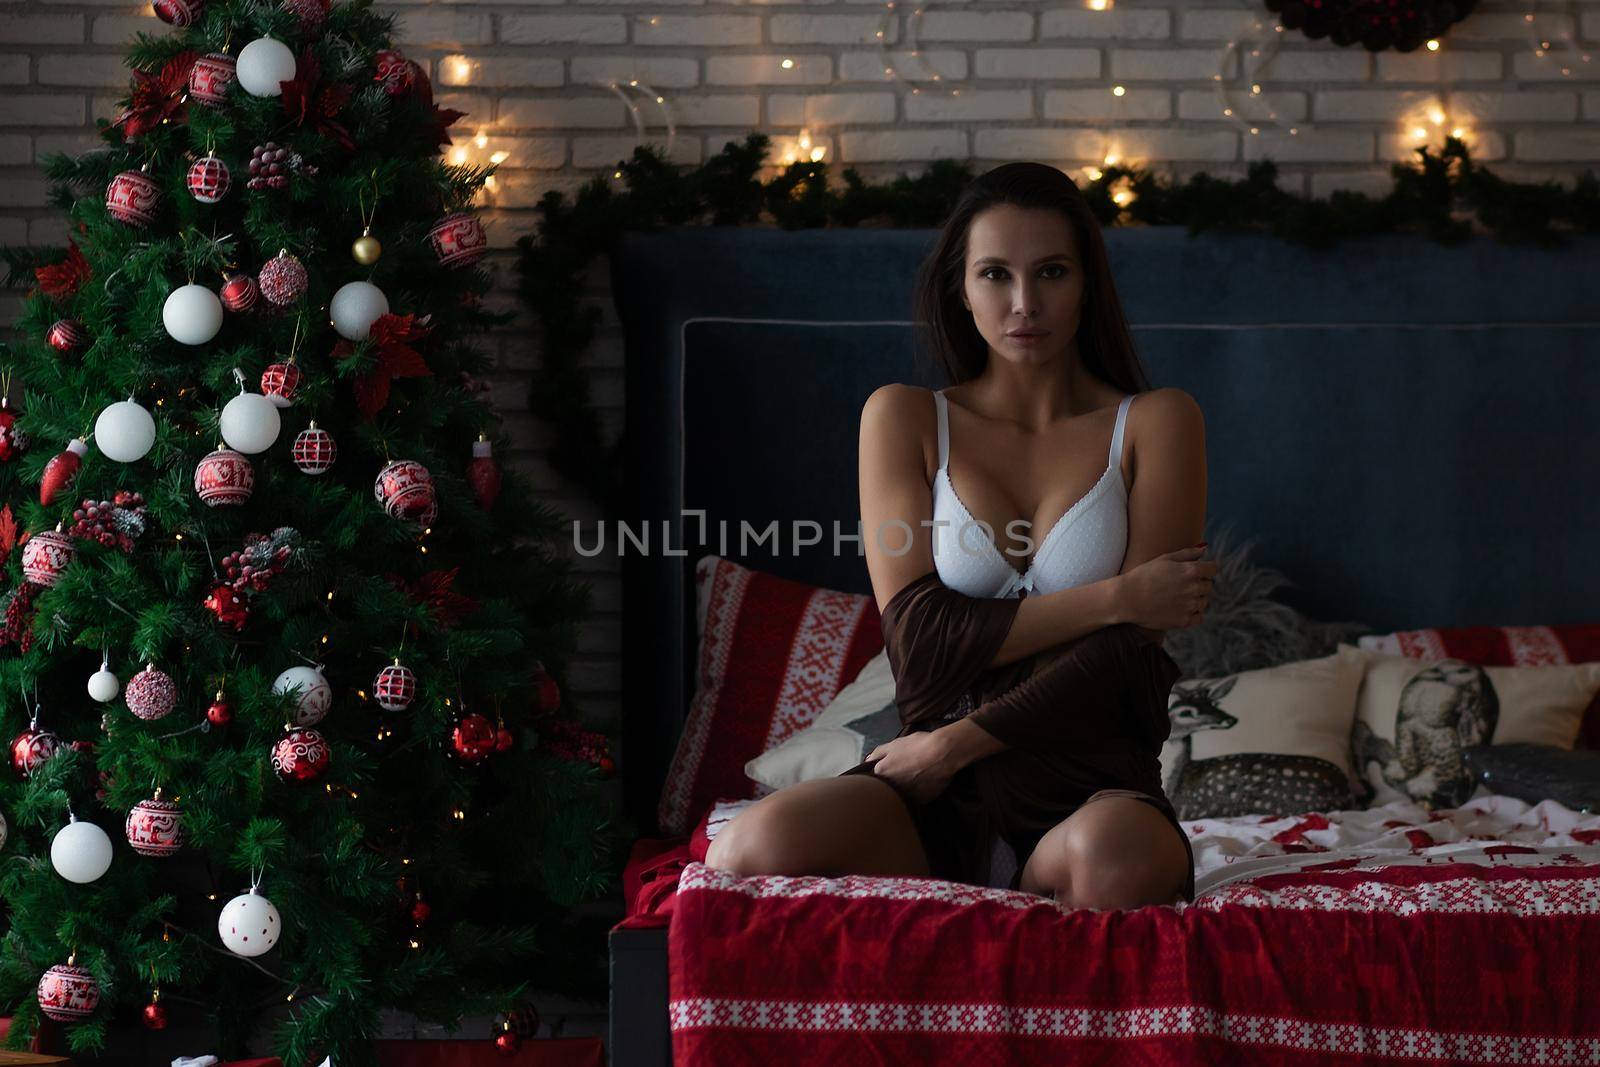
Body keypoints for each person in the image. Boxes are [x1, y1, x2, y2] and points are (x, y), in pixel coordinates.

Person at [704, 161, 1217, 909]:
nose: (1024, 303)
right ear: (960, 287)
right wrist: (1118, 595)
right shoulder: (905, 417)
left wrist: (957, 741)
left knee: (1114, 863)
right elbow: (919, 639)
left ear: (1087, 283)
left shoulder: (1155, 422)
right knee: (750, 846)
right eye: (994, 274)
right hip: (927, 796)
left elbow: (1126, 660)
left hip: (1088, 787)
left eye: (1050, 271)